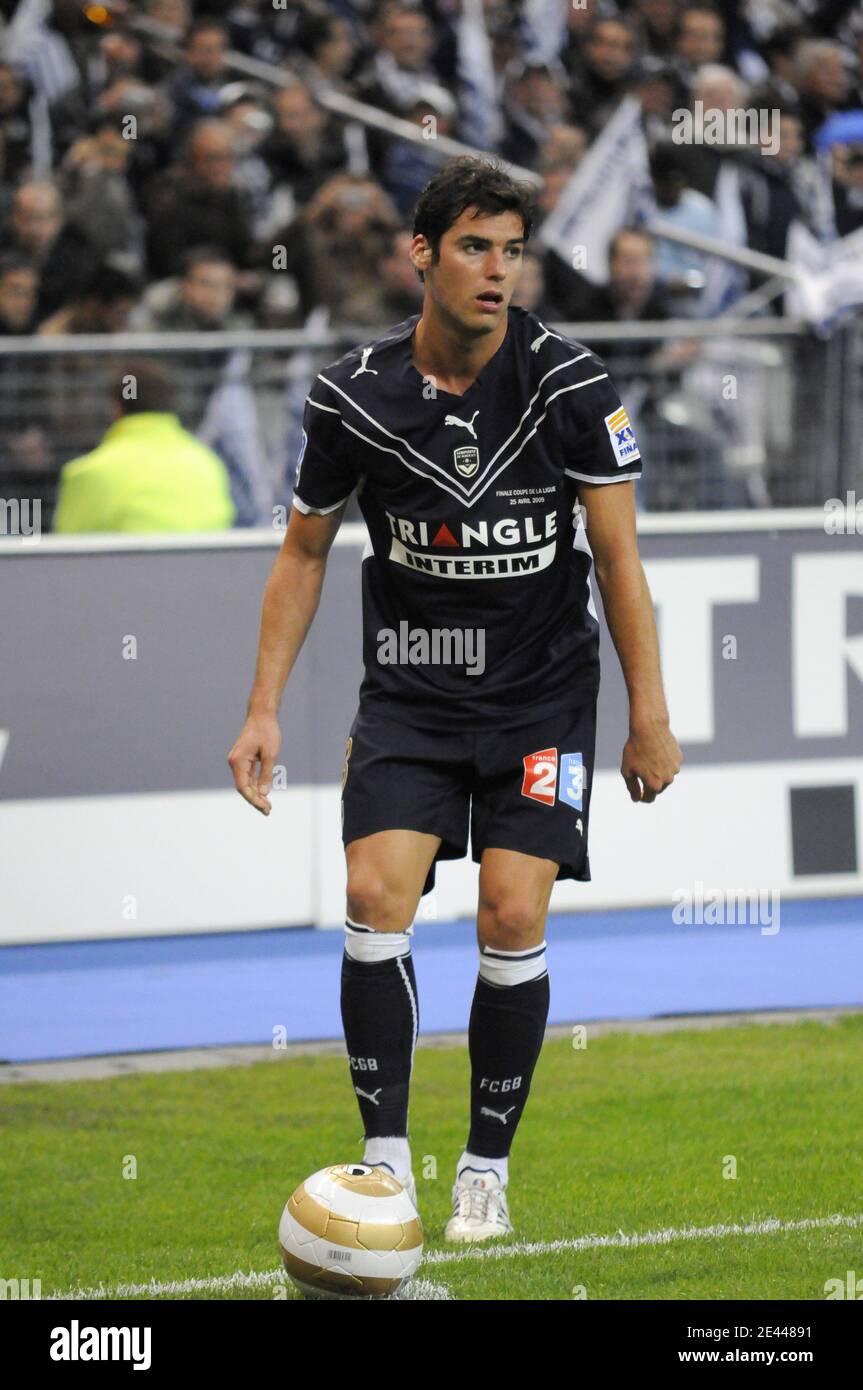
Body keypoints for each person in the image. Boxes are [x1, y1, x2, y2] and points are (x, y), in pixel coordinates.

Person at [227, 157, 682, 1243]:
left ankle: (484, 1167)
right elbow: (300, 553)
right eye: (473, 246)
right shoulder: (350, 393)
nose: (496, 269)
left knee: (511, 914)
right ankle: (384, 1164)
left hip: (539, 696)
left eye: (512, 249)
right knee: (374, 897)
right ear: (419, 255)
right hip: (411, 695)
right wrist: (261, 709)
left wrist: (649, 714)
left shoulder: (568, 384)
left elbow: (618, 561)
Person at [52, 359, 236, 533]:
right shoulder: (208, 464)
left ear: (114, 407)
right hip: (202, 567)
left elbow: (68, 554)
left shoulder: (87, 473)